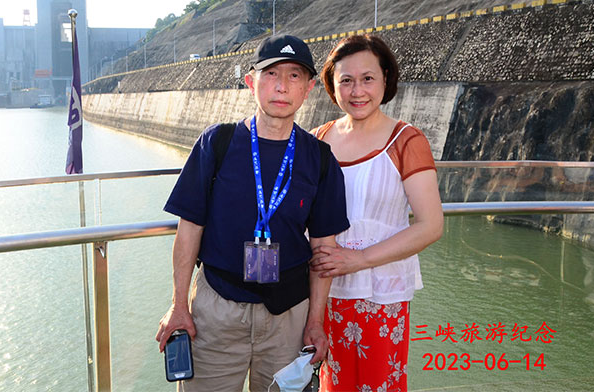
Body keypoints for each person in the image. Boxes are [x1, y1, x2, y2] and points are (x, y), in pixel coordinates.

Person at [156, 34, 350, 391]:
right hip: (216, 310)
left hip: (288, 317)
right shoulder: (217, 143)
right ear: (251, 83)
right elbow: (189, 229)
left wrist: (315, 321)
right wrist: (178, 305)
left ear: (308, 89)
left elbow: (324, 250)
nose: (282, 86)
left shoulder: (319, 159)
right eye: (271, 73)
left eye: (294, 76)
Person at [310, 35, 444, 392]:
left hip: (380, 293)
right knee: (331, 383)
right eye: (346, 80)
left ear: (386, 79)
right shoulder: (316, 141)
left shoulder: (406, 141)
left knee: (378, 384)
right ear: (331, 85)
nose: (358, 91)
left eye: (368, 78)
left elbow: (431, 226)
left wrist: (360, 258)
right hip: (324, 291)